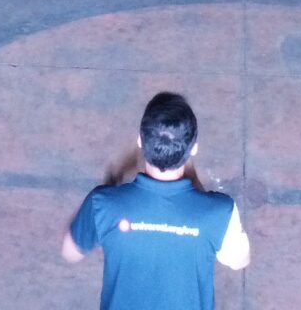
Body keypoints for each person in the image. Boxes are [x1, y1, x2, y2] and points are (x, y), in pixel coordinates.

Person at [62, 91, 249, 304]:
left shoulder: (102, 204)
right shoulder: (220, 212)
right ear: (194, 148)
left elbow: (70, 251)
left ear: (141, 141)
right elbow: (239, 260)